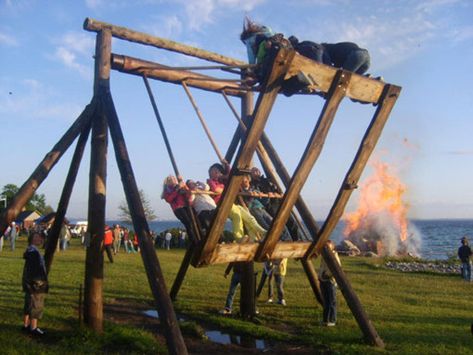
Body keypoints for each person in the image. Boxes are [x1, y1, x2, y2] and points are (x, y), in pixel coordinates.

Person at [207, 163, 266, 242]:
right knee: (236, 216)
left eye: (217, 170)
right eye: (213, 171)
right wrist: (225, 189)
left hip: (230, 202)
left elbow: (231, 176)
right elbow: (215, 190)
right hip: (222, 203)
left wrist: (227, 165)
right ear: (210, 173)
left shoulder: (221, 181)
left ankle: (260, 232)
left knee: (247, 216)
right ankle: (238, 237)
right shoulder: (210, 181)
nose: (216, 172)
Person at [240, 174, 291, 241]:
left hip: (262, 208)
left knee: (276, 223)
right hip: (254, 210)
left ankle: (287, 239)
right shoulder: (241, 191)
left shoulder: (254, 189)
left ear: (248, 180)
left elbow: (263, 201)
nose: (244, 183)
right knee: (266, 226)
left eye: (246, 181)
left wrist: (267, 196)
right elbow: (246, 203)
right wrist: (250, 195)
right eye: (242, 182)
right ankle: (277, 240)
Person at [22, 231, 48, 336]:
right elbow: (34, 270)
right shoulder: (33, 252)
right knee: (36, 305)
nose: (41, 239)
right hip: (35, 284)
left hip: (30, 283)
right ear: (32, 239)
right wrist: (38, 283)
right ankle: (33, 328)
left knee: (28, 304)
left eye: (41, 238)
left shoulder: (31, 251)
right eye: (38, 237)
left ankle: (25, 325)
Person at [161, 175, 197, 244]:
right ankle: (193, 240)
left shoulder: (180, 186)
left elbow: (188, 194)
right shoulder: (167, 191)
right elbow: (169, 199)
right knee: (188, 223)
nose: (173, 180)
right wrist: (177, 189)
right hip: (178, 209)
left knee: (195, 221)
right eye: (170, 180)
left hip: (187, 207)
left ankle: (199, 237)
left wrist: (182, 184)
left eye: (174, 179)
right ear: (167, 182)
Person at [318, 240, 341, 326]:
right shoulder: (324, 255)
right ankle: (325, 320)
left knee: (332, 301)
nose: (326, 248)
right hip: (323, 280)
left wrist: (328, 275)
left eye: (328, 246)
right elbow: (322, 266)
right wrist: (320, 276)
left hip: (330, 281)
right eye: (325, 246)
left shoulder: (334, 255)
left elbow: (337, 268)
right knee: (326, 301)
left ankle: (332, 320)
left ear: (332, 247)